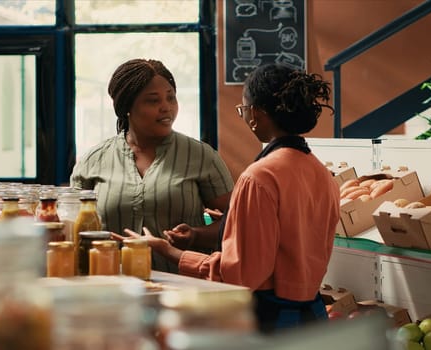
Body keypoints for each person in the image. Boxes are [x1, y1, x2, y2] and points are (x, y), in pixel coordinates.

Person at [126, 63, 341, 333]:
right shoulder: (321, 173)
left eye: (243, 109)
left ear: (256, 114)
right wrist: (229, 222)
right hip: (313, 316)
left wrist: (170, 252)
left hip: (270, 321)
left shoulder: (259, 177)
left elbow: (240, 276)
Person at [70, 58, 234, 272]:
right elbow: (71, 224)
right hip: (110, 283)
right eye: (153, 100)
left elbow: (236, 219)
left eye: (171, 98)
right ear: (127, 107)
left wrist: (196, 235)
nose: (166, 107)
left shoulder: (200, 156)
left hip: (182, 287)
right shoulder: (94, 160)